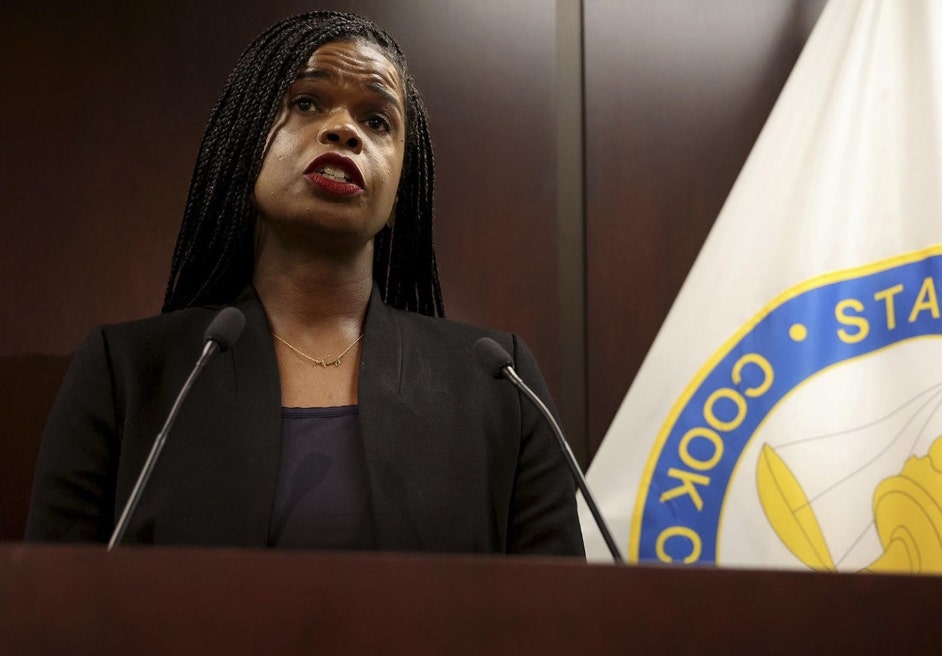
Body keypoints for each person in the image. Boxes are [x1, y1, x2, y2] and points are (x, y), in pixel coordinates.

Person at [25, 11, 584, 555]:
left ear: (399, 195)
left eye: (377, 120)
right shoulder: (128, 373)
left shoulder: (498, 384)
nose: (343, 129)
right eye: (307, 102)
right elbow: (54, 619)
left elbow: (557, 628)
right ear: (245, 143)